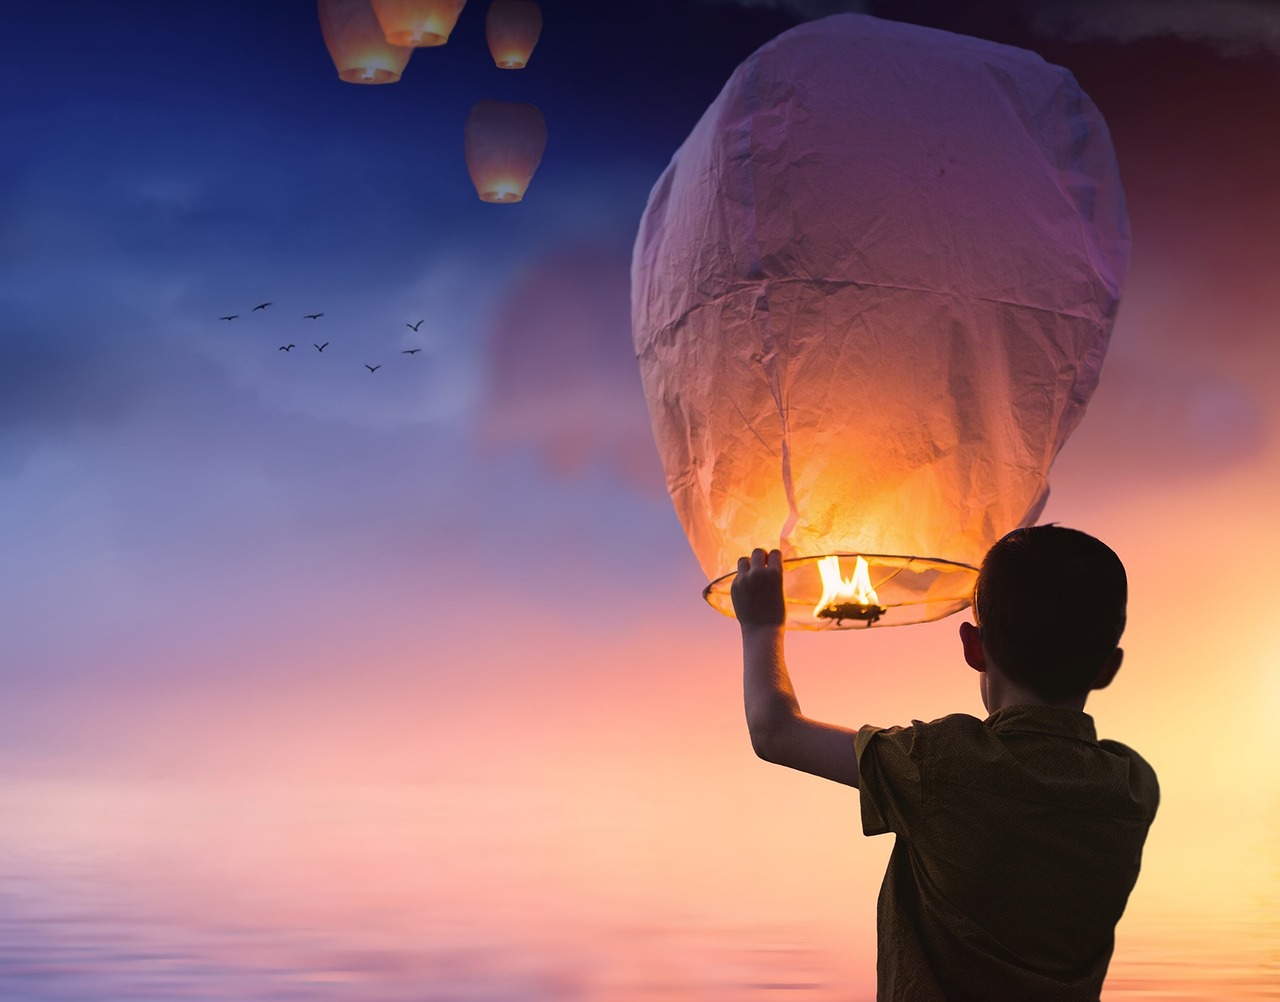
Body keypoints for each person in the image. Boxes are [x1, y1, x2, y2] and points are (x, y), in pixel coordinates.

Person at [731, 525, 1159, 1002]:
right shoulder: (1132, 787)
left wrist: (761, 625)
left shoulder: (940, 765)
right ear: (1108, 667)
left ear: (973, 647)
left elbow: (774, 731)